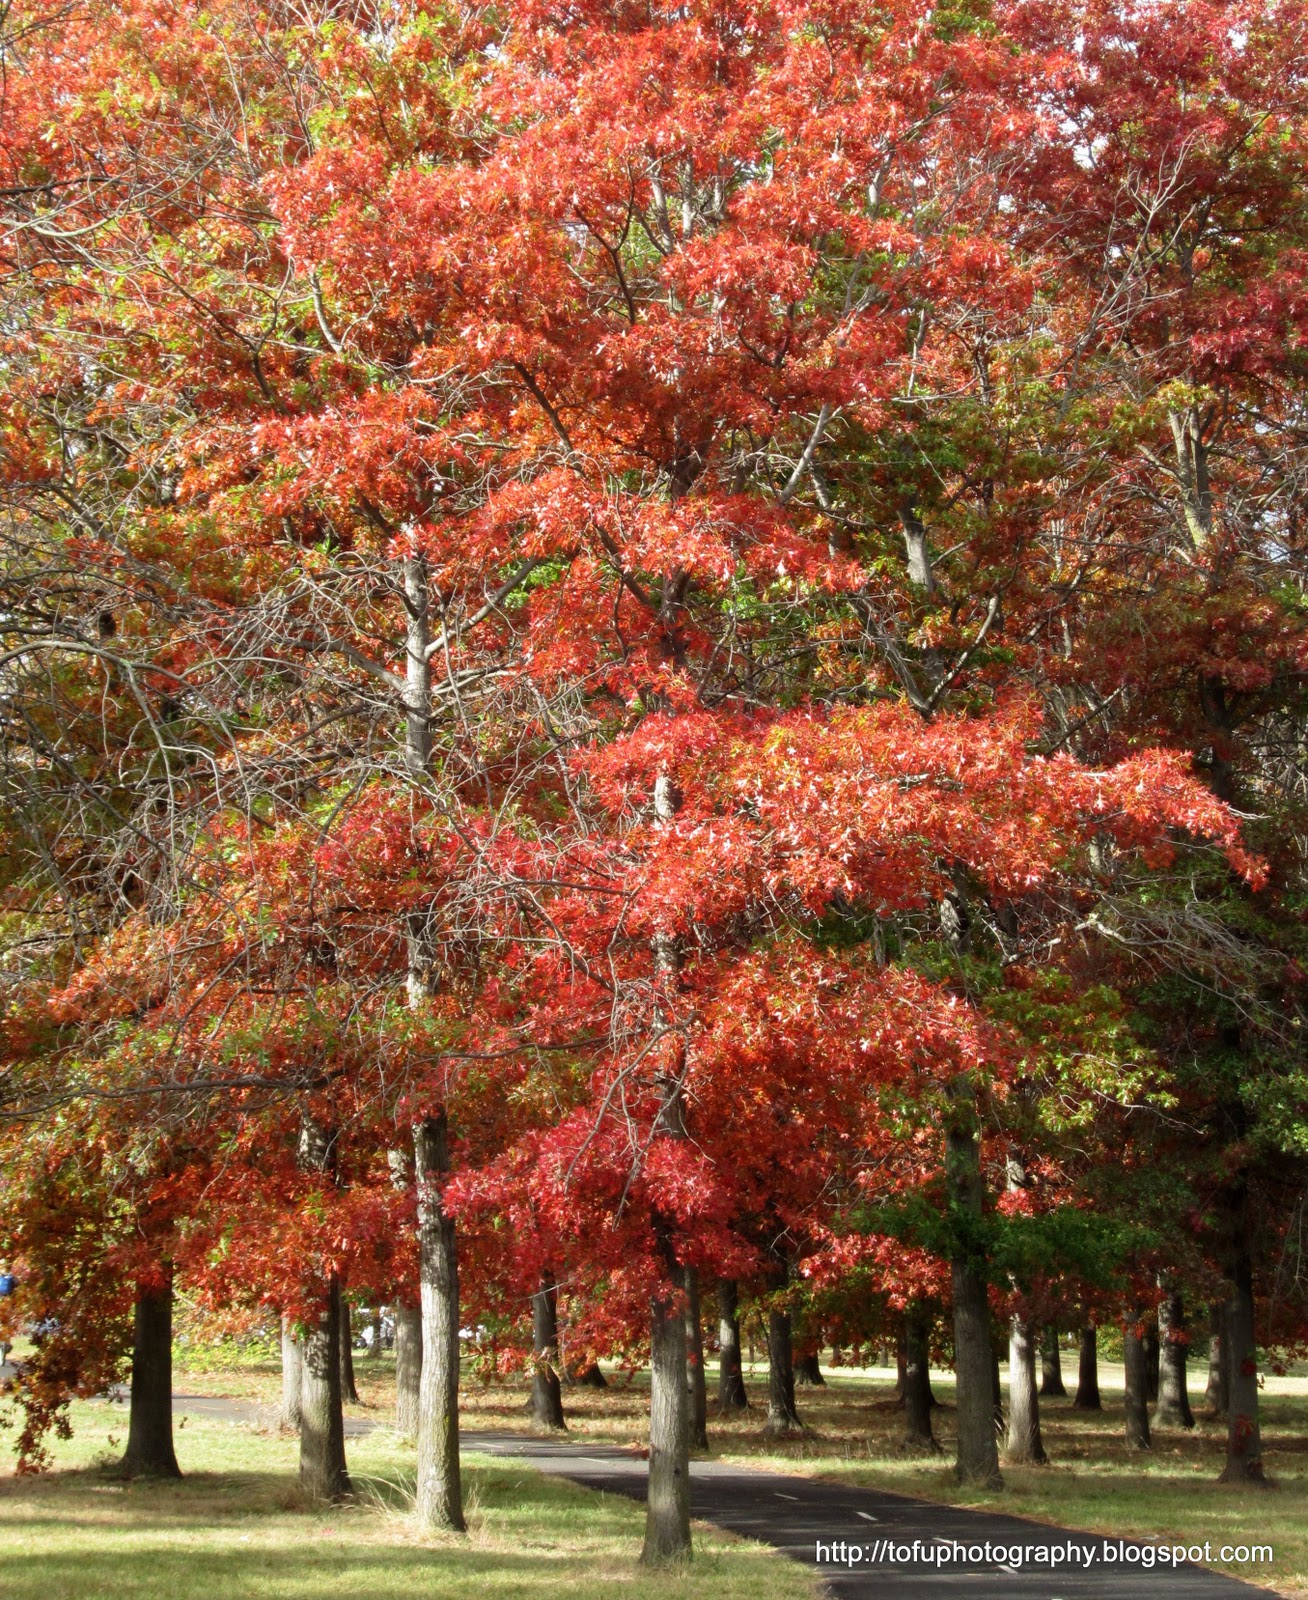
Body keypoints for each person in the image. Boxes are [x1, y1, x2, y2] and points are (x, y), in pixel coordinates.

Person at [0, 1262, 15, 1365]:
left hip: (1, 1301)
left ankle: (5, 1344)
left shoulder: (1, 1276)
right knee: (8, 1323)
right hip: (8, 1302)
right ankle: (8, 1343)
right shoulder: (13, 1278)